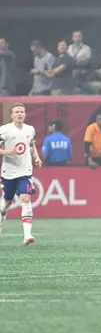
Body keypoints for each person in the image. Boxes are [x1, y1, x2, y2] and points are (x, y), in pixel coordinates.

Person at [0, 103, 43, 245]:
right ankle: (3, 213)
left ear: (25, 114)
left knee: (25, 199)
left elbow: (31, 145)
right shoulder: (4, 130)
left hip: (25, 170)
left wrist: (36, 157)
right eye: (17, 112)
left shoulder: (30, 129)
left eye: (22, 112)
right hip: (9, 171)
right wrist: (8, 152)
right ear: (12, 115)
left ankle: (27, 236)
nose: (19, 114)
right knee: (6, 203)